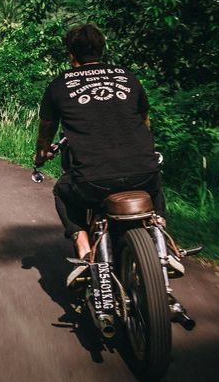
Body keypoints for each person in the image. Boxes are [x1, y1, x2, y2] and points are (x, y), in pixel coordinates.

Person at [34, 23, 181, 286]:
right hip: (143, 174)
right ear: (102, 50)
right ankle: (161, 238)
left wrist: (40, 155)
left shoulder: (59, 85)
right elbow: (145, 122)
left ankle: (84, 250)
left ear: (71, 54)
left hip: (92, 182)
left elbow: (46, 129)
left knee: (63, 192)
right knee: (155, 185)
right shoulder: (127, 76)